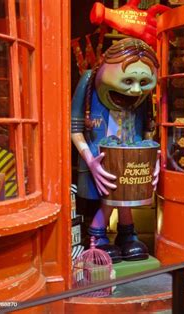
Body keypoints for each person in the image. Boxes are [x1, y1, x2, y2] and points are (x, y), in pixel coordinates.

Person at [71, 38, 160, 263]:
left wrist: (153, 160)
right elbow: (74, 127)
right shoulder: (89, 81)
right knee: (109, 197)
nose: (136, 89)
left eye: (143, 82)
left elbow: (148, 128)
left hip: (131, 157)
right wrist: (90, 160)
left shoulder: (141, 98)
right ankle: (98, 239)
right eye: (128, 80)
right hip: (99, 157)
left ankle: (127, 235)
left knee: (126, 195)